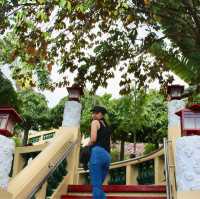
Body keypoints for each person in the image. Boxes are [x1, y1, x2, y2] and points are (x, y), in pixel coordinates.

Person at [87, 105, 111, 199]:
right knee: (99, 185)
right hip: (107, 156)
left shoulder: (95, 122)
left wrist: (86, 147)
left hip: (97, 153)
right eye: (93, 113)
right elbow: (110, 143)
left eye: (95, 113)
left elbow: (93, 139)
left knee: (96, 186)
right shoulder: (107, 126)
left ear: (101, 114)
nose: (93, 115)